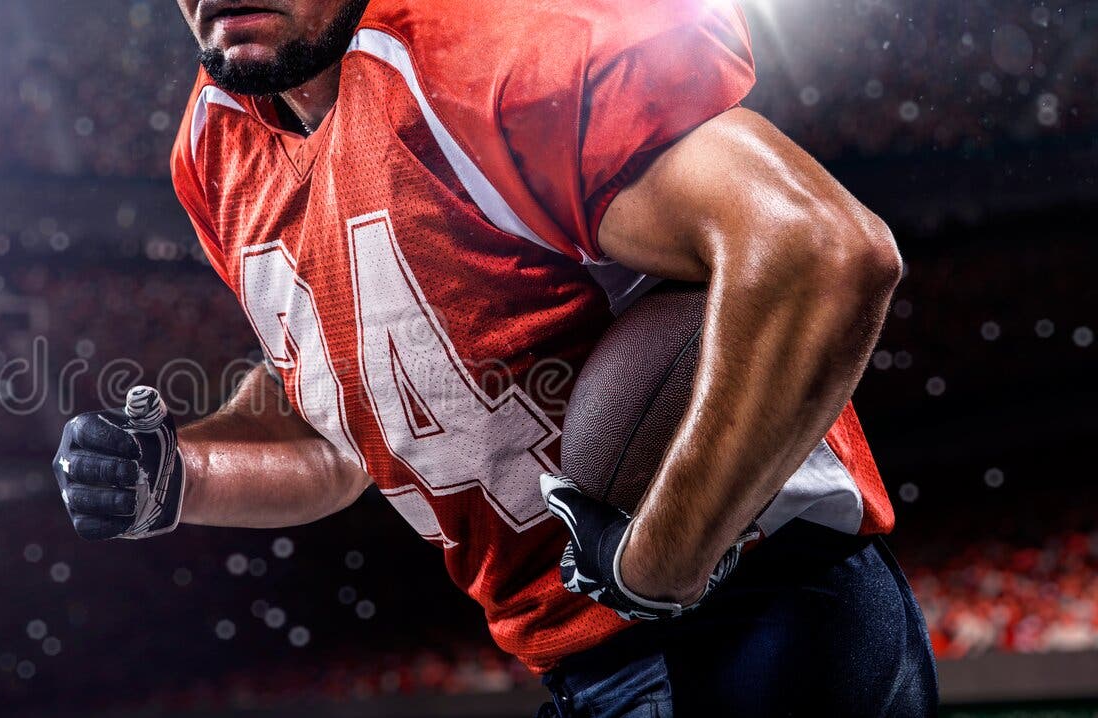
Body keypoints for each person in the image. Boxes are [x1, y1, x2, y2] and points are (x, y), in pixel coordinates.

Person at [51, 0, 939, 714]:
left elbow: (822, 251)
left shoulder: (480, 46)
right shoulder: (216, 150)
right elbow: (348, 431)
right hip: (580, 668)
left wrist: (662, 558)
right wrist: (183, 474)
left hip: (762, 606)